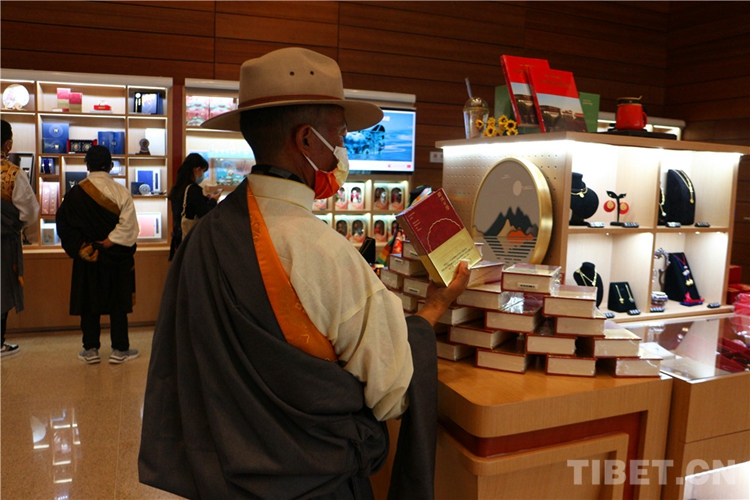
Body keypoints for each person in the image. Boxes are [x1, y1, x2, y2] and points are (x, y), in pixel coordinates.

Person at [139, 47, 470, 499]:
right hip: (314, 487)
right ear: (308, 140)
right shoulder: (326, 254)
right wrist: (432, 310)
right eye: (341, 134)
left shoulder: (206, 236)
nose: (343, 150)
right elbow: (392, 393)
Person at [55, 145, 140, 364]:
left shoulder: (74, 194)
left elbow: (63, 225)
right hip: (116, 256)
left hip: (87, 256)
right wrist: (110, 241)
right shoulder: (121, 192)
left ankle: (91, 349)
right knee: (118, 303)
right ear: (111, 166)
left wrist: (83, 247)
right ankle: (120, 349)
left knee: (88, 303)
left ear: (87, 165)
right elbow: (129, 225)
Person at [1, 119, 39, 356]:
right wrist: (16, 226)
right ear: (8, 144)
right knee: (2, 288)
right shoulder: (12, 173)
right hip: (3, 242)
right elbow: (30, 212)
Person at [167, 153, 219, 260]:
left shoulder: (177, 188)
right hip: (191, 240)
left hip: (179, 237)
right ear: (197, 169)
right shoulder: (193, 189)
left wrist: (204, 199)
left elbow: (188, 206)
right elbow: (204, 213)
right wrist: (213, 201)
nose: (202, 175)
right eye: (203, 171)